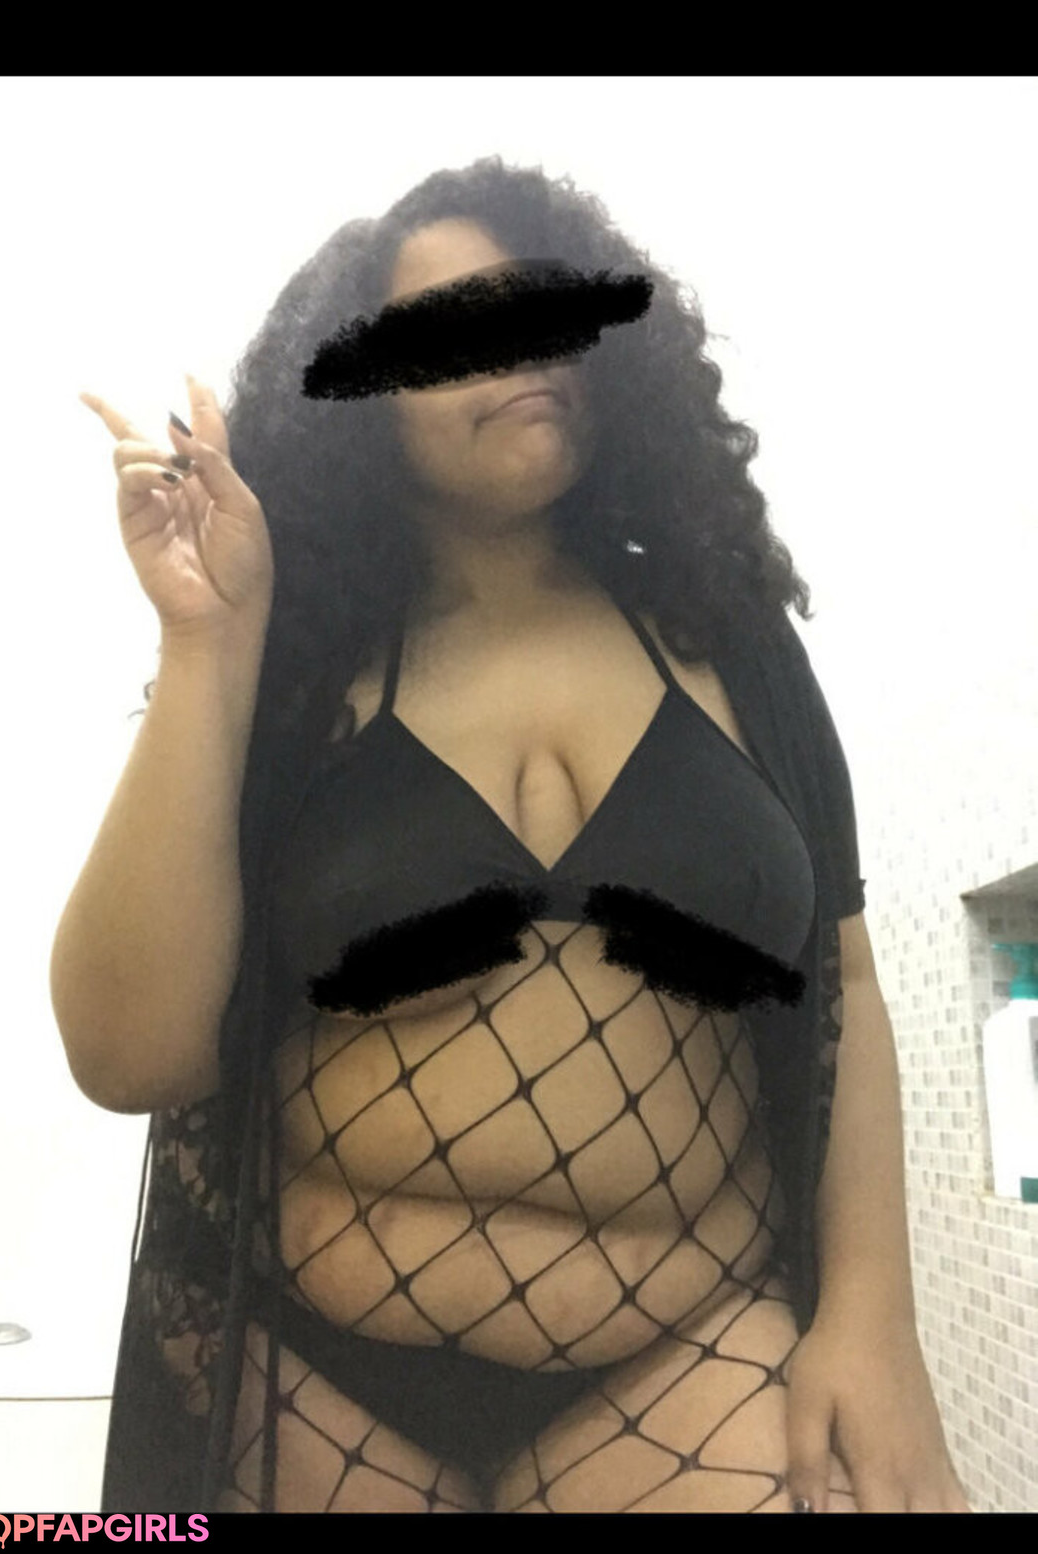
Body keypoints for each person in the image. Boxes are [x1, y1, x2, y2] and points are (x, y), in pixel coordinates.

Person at [52, 157, 970, 1513]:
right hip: (322, 1377)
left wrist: (874, 1325)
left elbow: (847, 985)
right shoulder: (292, 665)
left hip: (688, 1352)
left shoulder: (728, 636)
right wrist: (208, 641)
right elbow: (128, 1055)